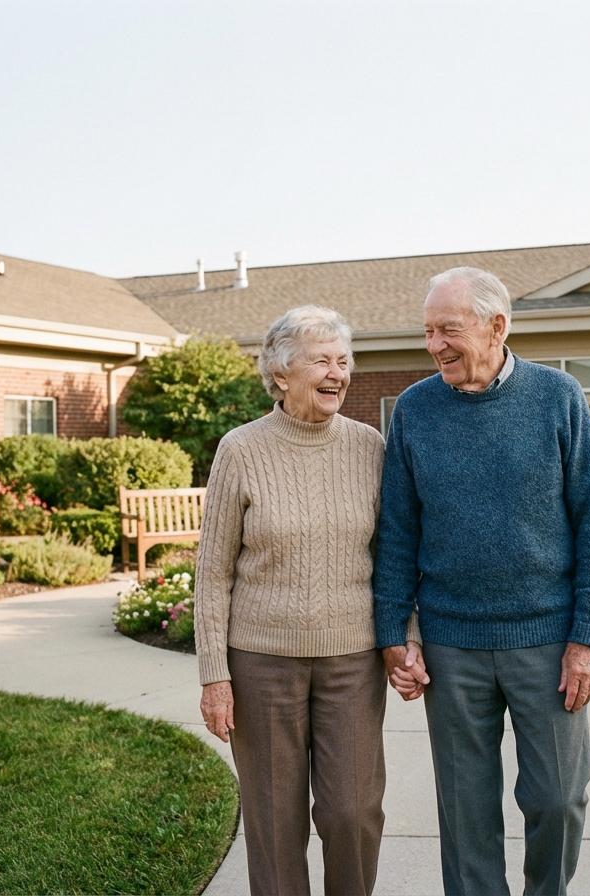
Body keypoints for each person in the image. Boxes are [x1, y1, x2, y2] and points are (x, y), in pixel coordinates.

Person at [374, 267, 590, 896]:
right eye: (428, 332)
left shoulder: (557, 397)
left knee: (559, 798)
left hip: (548, 642)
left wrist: (588, 640)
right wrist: (395, 635)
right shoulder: (414, 410)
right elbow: (398, 532)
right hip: (452, 646)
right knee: (465, 814)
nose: (435, 345)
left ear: (496, 327)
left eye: (448, 330)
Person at [195, 304, 415, 895]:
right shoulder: (240, 450)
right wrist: (216, 676)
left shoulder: (370, 447)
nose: (338, 373)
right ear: (281, 372)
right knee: (273, 822)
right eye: (322, 360)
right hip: (261, 665)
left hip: (352, 661)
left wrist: (406, 638)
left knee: (353, 812)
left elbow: (394, 555)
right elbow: (212, 574)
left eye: (344, 361)